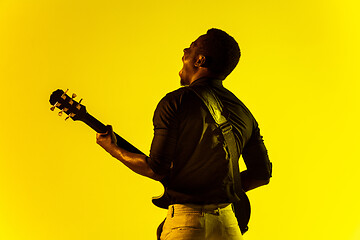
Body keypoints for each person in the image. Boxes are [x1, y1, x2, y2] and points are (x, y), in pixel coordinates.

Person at [96, 28, 272, 240]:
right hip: (229, 227)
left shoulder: (175, 102)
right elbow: (262, 174)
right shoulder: (244, 112)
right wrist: (218, 189)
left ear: (200, 60)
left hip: (187, 225)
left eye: (192, 46)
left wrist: (112, 148)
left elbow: (157, 169)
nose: (184, 50)